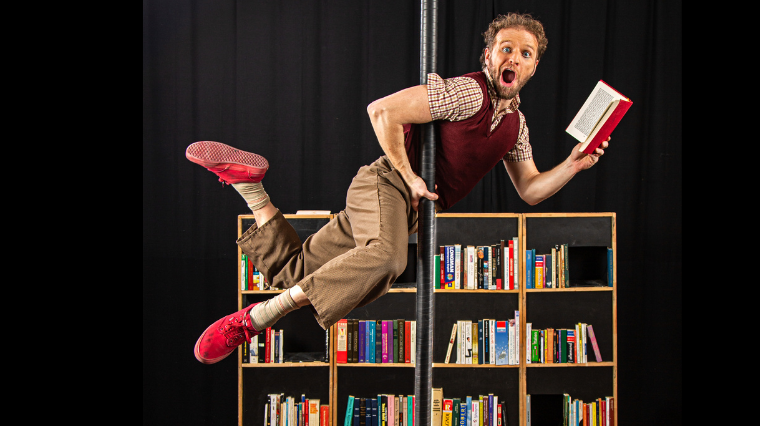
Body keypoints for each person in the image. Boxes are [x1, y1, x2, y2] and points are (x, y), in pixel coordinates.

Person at [188, 12, 609, 364]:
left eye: (525, 53)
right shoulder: (468, 92)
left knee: (293, 272)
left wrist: (573, 165)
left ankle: (251, 188)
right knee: (387, 258)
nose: (514, 57)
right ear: (489, 55)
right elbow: (383, 111)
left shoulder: (517, 127)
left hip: (406, 210)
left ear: (533, 67)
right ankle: (256, 319)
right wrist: (410, 175)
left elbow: (530, 190)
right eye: (506, 48)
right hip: (385, 183)